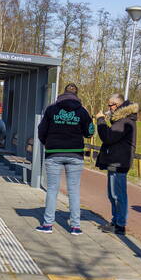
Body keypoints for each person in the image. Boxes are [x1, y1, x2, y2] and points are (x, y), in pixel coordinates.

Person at [35, 84, 94, 235]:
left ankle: (47, 224)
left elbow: (41, 131)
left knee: (52, 189)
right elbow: (89, 133)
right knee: (74, 190)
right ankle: (75, 226)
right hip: (75, 154)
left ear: (63, 93)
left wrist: (48, 143)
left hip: (54, 153)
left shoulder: (51, 109)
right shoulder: (82, 111)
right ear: (77, 94)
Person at [95, 94, 139, 235]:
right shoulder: (121, 120)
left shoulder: (125, 121)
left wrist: (101, 120)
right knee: (112, 193)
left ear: (118, 105)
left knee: (118, 194)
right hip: (115, 160)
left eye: (111, 105)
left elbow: (108, 137)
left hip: (119, 162)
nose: (109, 108)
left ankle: (120, 224)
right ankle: (116, 221)